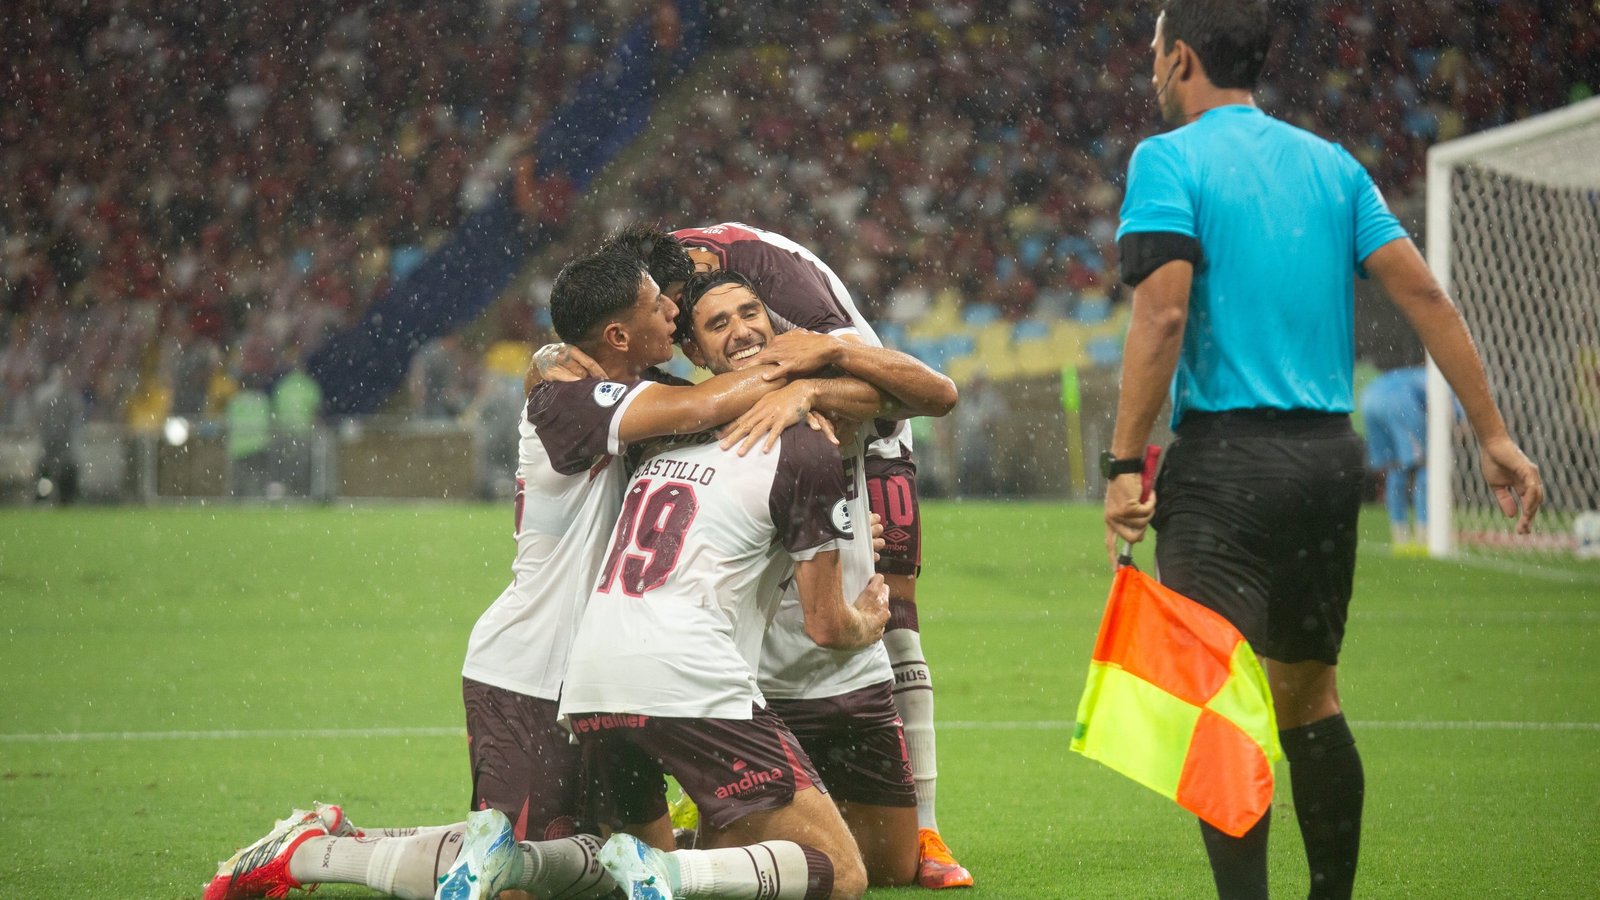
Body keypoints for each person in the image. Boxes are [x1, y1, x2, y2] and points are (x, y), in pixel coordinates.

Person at [202, 252, 825, 900]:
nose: (675, 314)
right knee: (511, 880)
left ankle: (327, 844)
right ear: (617, 333)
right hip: (529, 669)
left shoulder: (622, 393)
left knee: (580, 859)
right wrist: (807, 369)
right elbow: (709, 404)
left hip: (595, 674)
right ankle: (316, 853)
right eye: (661, 303)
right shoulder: (572, 398)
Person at [1102, 3, 1544, 899]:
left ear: (1179, 56)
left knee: (1219, 709)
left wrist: (1122, 464)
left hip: (1225, 462)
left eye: (1153, 50)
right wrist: (1491, 434)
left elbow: (1163, 314)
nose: (1149, 66)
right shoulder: (1331, 165)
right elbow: (1424, 294)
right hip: (1324, 462)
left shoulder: (1167, 160)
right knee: (1310, 695)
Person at [592, 223, 972, 889]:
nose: (739, 329)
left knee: (890, 868)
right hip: (755, 686)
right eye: (717, 324)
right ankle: (669, 860)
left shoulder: (833, 402)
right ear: (697, 352)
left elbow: (936, 395)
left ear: (775, 324)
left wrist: (814, 380)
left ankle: (664, 850)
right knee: (827, 872)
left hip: (850, 683)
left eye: (749, 313)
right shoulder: (692, 415)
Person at [1357, 365, 1429, 552]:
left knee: (1396, 468)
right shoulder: (1448, 382)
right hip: (1399, 401)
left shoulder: (1415, 375)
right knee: (1426, 466)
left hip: (1369, 397)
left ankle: (1400, 537)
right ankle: (1425, 535)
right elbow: (1458, 418)